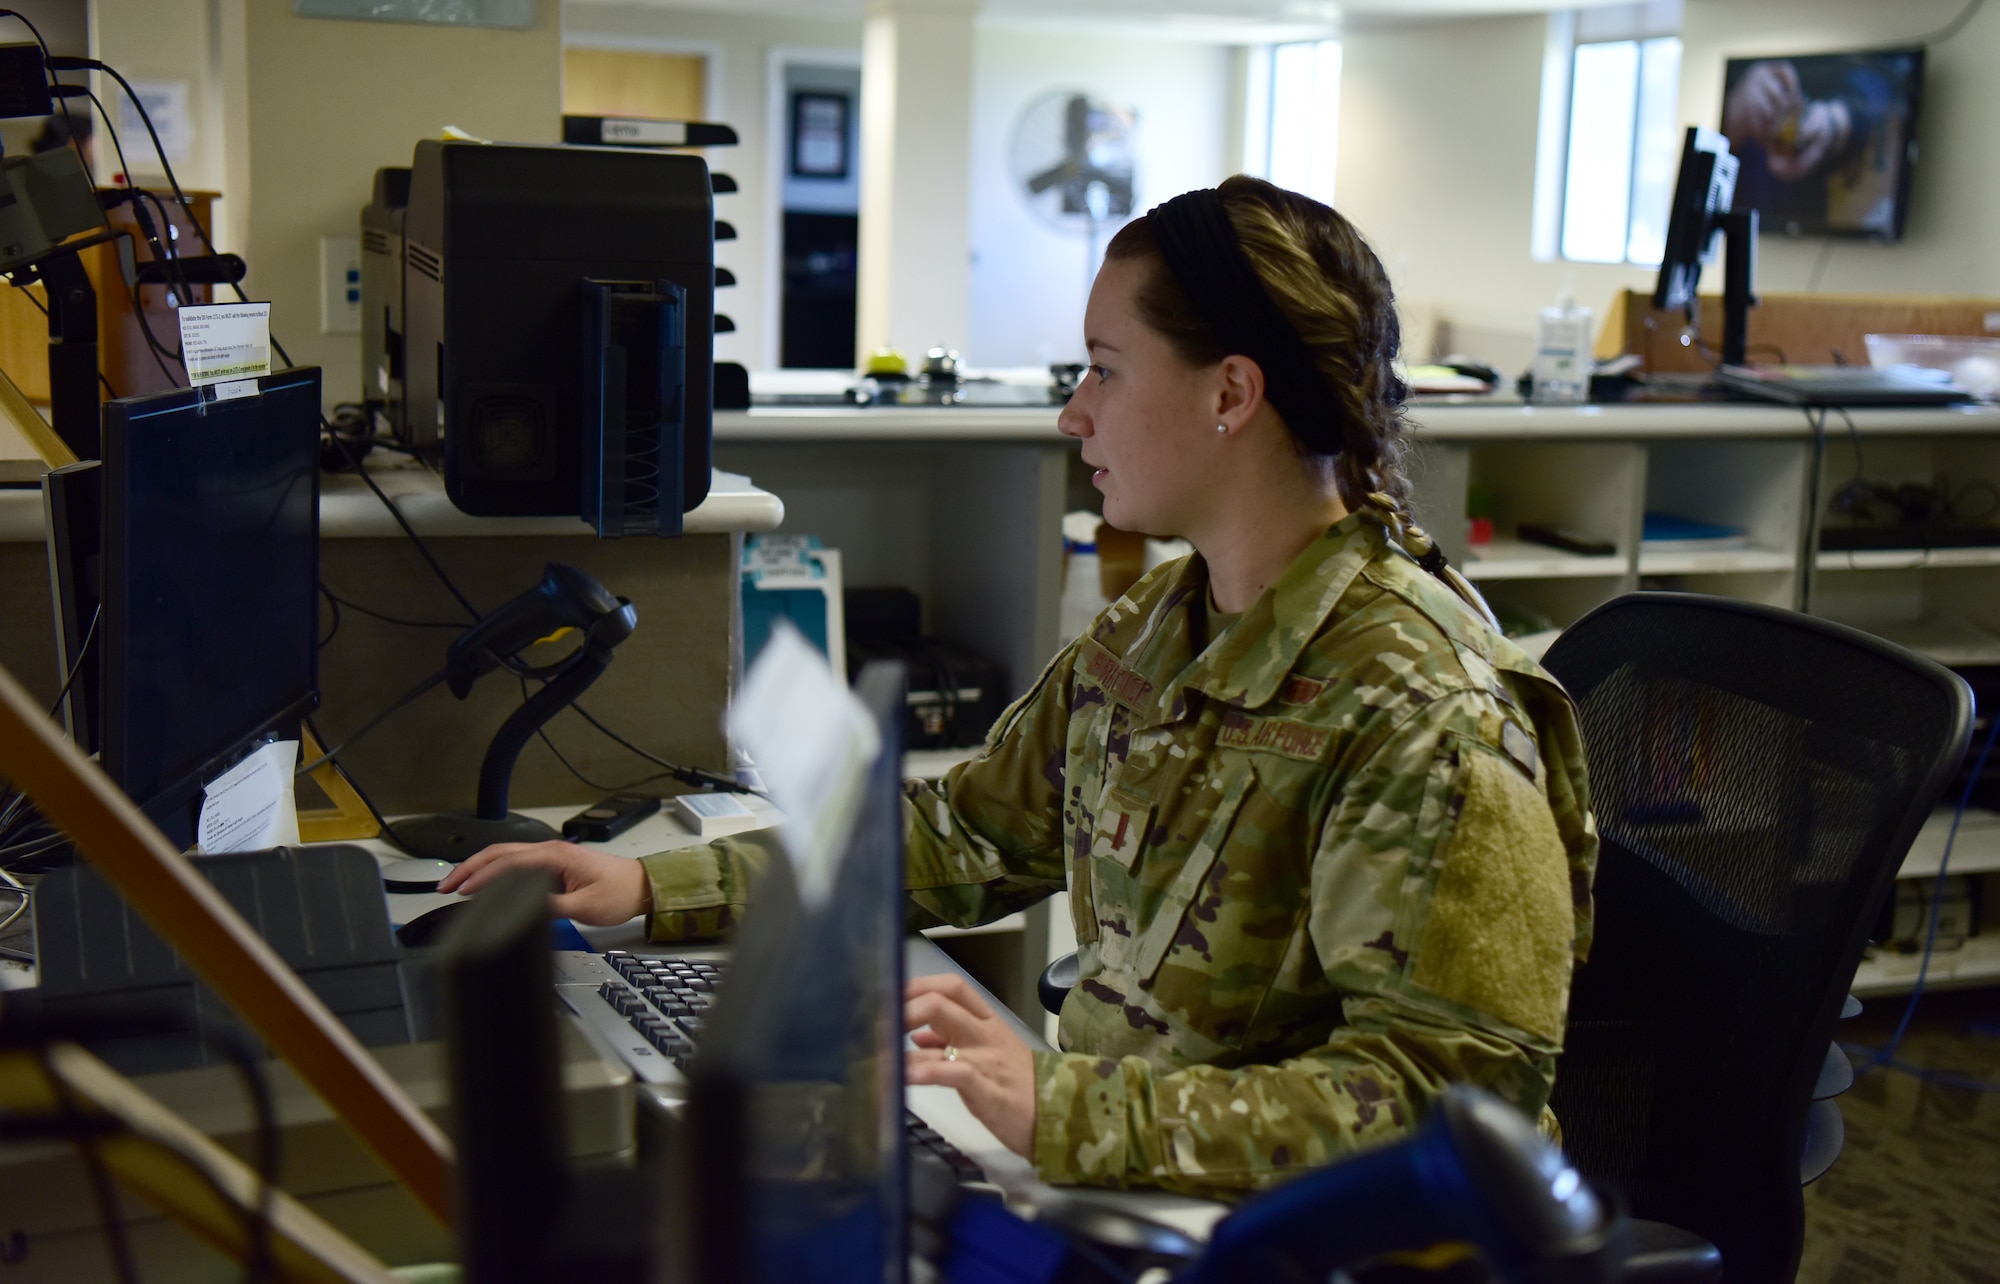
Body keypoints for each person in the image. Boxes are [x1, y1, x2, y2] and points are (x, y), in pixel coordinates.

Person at [441, 175, 1597, 1198]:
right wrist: (652, 886)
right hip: (1119, 1184)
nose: (1071, 413)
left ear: (1228, 394)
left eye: (1102, 370)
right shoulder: (1160, 624)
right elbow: (962, 834)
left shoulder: (1422, 713)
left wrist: (1061, 1107)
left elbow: (1451, 1111)